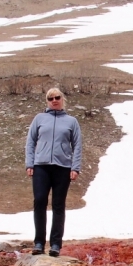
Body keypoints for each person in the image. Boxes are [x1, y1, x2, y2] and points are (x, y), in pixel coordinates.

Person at [25, 88, 82, 257]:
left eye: (57, 97)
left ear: (62, 99)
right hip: (41, 166)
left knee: (58, 205)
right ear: (47, 101)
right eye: (51, 98)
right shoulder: (39, 119)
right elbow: (30, 142)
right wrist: (30, 163)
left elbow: (77, 145)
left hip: (62, 167)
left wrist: (75, 167)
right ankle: (39, 243)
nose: (54, 100)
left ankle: (56, 244)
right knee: (40, 201)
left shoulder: (71, 121)